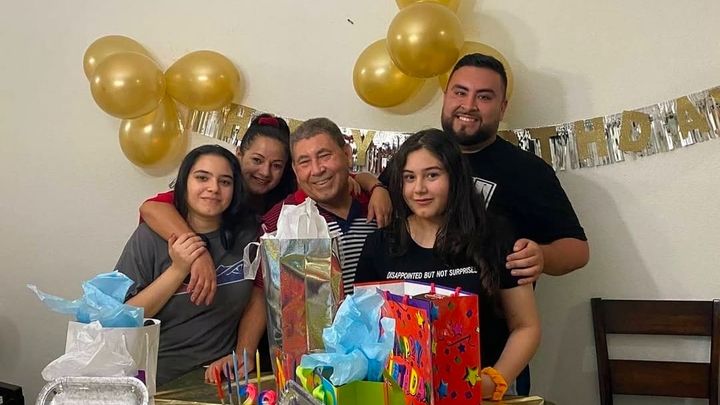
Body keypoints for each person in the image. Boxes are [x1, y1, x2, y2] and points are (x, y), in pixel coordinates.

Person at [440, 53, 589, 394]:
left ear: (503, 107)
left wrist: (542, 256)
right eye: (460, 92)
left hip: (497, 362)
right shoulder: (418, 158)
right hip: (412, 356)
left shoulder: (528, 172)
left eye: (484, 96)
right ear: (446, 96)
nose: (469, 105)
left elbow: (578, 250)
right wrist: (374, 186)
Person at [355, 129, 541, 399]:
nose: (419, 188)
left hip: (481, 394)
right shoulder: (379, 244)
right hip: (400, 394)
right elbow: (363, 328)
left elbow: (526, 326)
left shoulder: (495, 236)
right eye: (409, 177)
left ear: (455, 177)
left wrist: (492, 383)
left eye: (432, 175)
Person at [140, 114, 391, 306]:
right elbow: (151, 207)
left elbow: (329, 179)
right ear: (239, 155)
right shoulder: (215, 194)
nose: (264, 172)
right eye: (256, 160)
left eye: (276, 165)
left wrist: (375, 185)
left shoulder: (295, 201)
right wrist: (197, 253)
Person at [115, 145, 266, 386]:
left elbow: (258, 295)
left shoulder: (249, 235)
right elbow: (120, 320)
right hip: (154, 381)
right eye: (202, 178)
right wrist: (179, 269)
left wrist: (241, 355)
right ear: (184, 183)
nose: (213, 188)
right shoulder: (148, 237)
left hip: (218, 380)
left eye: (225, 182)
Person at [261, 117, 380, 294]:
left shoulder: (377, 204)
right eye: (304, 162)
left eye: (324, 156)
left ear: (347, 155)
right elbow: (263, 293)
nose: (317, 170)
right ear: (295, 170)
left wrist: (377, 187)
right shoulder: (279, 220)